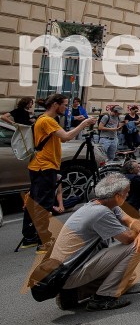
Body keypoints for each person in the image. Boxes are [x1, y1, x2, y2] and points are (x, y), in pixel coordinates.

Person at [44, 173, 140, 311]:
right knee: (135, 247)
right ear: (117, 195)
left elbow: (130, 220)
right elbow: (128, 238)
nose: (128, 195)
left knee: (129, 278)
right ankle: (103, 298)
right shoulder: (101, 213)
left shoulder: (101, 204)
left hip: (67, 272)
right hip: (69, 273)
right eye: (126, 193)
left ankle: (74, 293)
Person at [21, 94, 97, 251]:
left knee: (35, 201)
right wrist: (84, 123)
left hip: (40, 165)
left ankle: (30, 236)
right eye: (65, 105)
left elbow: (61, 139)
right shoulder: (47, 120)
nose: (66, 108)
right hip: (44, 166)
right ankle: (43, 240)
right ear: (55, 105)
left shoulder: (44, 119)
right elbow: (67, 136)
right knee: (44, 204)